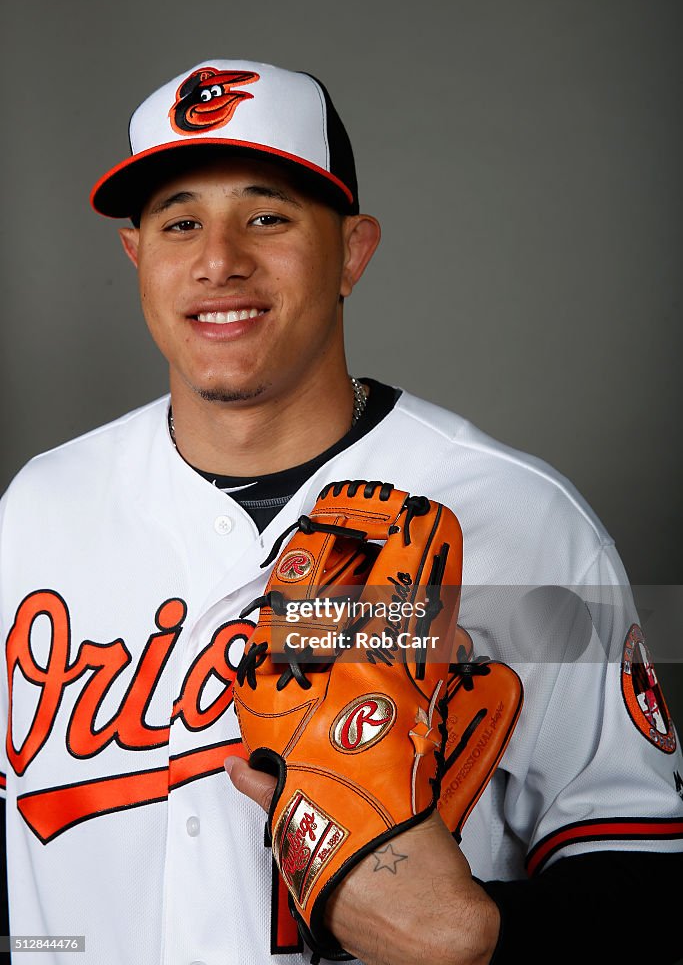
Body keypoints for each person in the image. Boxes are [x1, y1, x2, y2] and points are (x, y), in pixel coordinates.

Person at [1, 59, 681, 965]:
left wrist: (485, 937)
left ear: (353, 250)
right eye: (180, 223)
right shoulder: (38, 508)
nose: (218, 260)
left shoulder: (517, 518)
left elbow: (643, 864)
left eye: (268, 216)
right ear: (139, 258)